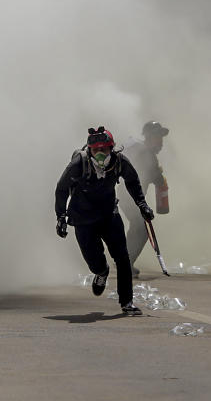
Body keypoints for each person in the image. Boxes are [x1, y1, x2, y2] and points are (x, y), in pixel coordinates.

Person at [55, 126, 154, 316]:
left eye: (104, 149)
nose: (100, 153)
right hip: (83, 218)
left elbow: (133, 182)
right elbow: (61, 189)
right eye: (96, 150)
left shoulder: (119, 161)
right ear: (89, 150)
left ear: (112, 148)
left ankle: (127, 302)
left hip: (109, 215)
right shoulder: (79, 163)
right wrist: (60, 217)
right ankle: (101, 273)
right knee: (94, 261)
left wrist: (142, 205)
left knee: (123, 258)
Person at [120, 121, 169, 276]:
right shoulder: (145, 154)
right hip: (128, 196)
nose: (161, 142)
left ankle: (124, 261)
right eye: (157, 137)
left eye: (161, 138)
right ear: (149, 137)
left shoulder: (144, 153)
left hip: (129, 196)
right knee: (141, 227)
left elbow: (155, 178)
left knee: (138, 226)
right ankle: (125, 263)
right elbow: (157, 179)